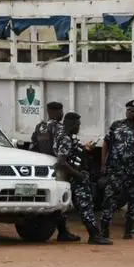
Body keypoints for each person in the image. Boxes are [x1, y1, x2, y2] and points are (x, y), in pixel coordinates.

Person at [55, 112, 112, 245]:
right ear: (72, 124)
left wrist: (84, 149)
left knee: (62, 208)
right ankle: (94, 235)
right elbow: (62, 161)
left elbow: (69, 155)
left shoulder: (63, 136)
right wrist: (78, 174)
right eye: (78, 125)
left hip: (68, 177)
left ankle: (63, 233)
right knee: (85, 206)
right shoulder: (65, 138)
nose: (79, 127)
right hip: (75, 178)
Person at [100, 99, 134, 239]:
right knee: (110, 198)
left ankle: (128, 231)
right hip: (117, 170)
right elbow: (106, 143)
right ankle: (104, 229)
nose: (130, 112)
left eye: (133, 111)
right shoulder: (117, 125)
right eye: (128, 110)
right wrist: (103, 164)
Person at [29, 101, 80, 242]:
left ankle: (59, 230)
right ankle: (63, 231)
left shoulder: (40, 127)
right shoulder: (59, 129)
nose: (62, 114)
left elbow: (33, 147)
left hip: (41, 167)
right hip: (57, 167)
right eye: (60, 112)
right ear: (56, 112)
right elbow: (61, 151)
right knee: (59, 200)